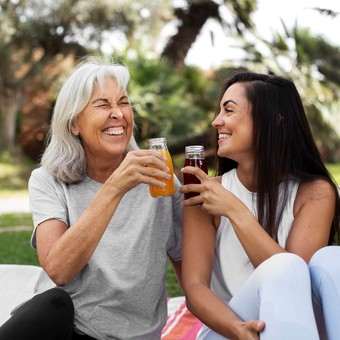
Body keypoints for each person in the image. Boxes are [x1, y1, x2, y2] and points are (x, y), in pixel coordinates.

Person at [0, 56, 183, 340]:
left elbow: (192, 274)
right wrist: (115, 187)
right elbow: (59, 269)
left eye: (123, 102)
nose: (118, 113)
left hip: (137, 335)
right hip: (70, 330)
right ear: (74, 124)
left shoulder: (160, 178)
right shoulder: (48, 180)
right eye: (102, 104)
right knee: (52, 305)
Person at [180, 71, 340, 340]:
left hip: (299, 327)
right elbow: (195, 289)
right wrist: (238, 329)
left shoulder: (315, 193)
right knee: (286, 266)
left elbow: (295, 283)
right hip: (228, 329)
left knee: (332, 258)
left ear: (272, 121)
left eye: (228, 111)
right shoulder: (204, 193)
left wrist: (235, 210)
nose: (216, 121)